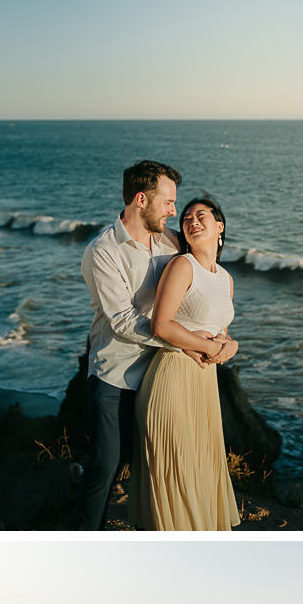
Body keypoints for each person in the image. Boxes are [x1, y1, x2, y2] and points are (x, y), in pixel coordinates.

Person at [77, 159, 218, 531]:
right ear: (141, 199)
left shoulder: (170, 241)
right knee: (107, 463)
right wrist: (183, 344)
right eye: (168, 202)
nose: (175, 211)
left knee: (154, 464)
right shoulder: (103, 251)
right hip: (115, 374)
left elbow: (197, 286)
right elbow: (123, 320)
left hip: (160, 375)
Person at [128, 194, 240, 531]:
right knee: (177, 470)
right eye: (186, 217)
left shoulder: (226, 278)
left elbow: (219, 333)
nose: (191, 220)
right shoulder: (181, 265)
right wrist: (201, 346)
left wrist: (232, 346)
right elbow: (161, 325)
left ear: (219, 226)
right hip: (172, 377)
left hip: (204, 383)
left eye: (201, 215)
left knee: (200, 468)